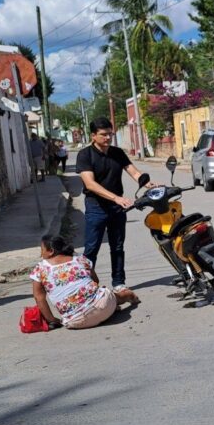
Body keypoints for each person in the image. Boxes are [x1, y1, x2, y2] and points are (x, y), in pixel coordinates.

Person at [75, 117, 153, 294]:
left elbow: (133, 171)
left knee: (117, 246)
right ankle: (84, 285)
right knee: (91, 248)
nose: (108, 138)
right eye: (104, 135)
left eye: (110, 134)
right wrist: (116, 198)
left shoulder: (117, 153)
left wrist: (147, 183)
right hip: (96, 207)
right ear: (93, 135)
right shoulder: (85, 155)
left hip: (117, 209)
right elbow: (90, 184)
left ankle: (119, 282)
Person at [30, 235, 139, 330]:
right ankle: (126, 295)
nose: (41, 253)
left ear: (51, 251)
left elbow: (39, 298)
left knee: (102, 302)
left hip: (75, 322)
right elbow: (95, 281)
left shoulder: (40, 269)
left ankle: (108, 307)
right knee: (110, 296)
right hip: (105, 305)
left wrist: (52, 320)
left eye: (42, 250)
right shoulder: (79, 259)